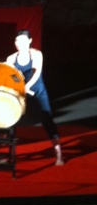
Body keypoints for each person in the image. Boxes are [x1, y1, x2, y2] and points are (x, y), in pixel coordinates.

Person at [6, 29, 64, 166]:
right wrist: (19, 87)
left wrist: (27, 86)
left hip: (37, 90)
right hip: (20, 91)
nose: (19, 43)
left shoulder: (36, 54)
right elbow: (8, 75)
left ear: (30, 41)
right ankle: (9, 153)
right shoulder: (11, 58)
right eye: (17, 40)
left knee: (47, 119)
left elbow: (36, 72)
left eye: (22, 40)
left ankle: (59, 155)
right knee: (10, 118)